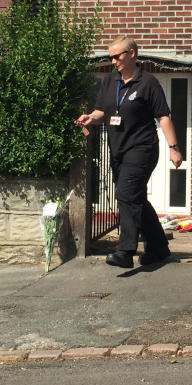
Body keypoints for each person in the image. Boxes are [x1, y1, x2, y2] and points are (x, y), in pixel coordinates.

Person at [75, 37, 183, 269]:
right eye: (111, 57)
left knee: (126, 194)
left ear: (132, 54)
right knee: (136, 199)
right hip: (118, 151)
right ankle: (158, 248)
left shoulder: (148, 83)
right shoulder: (109, 81)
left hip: (142, 149)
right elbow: (101, 111)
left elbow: (163, 116)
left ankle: (125, 251)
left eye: (118, 56)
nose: (113, 61)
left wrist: (174, 148)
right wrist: (90, 118)